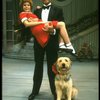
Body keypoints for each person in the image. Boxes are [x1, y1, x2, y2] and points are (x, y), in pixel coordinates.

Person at [18, 0, 75, 100]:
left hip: (51, 42)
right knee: (38, 67)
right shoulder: (36, 10)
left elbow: (61, 26)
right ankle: (34, 91)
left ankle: (55, 93)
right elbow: (32, 25)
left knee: (52, 67)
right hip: (38, 42)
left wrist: (52, 31)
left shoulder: (58, 10)